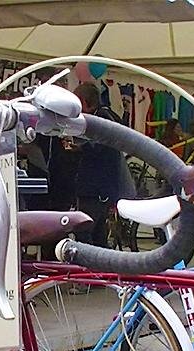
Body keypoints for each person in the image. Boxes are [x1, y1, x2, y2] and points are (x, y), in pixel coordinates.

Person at [71, 82, 135, 247]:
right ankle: (100, 262)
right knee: (98, 233)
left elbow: (99, 148)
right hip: (102, 189)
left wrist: (78, 147)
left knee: (84, 229)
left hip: (95, 189)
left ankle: (88, 262)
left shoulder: (100, 120)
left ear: (84, 102)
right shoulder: (108, 116)